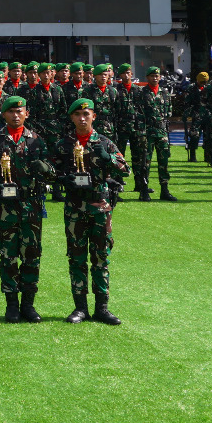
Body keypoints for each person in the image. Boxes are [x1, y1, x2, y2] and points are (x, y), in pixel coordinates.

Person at [53, 98, 126, 324]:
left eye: (86, 114)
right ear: (72, 118)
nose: (82, 118)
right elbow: (50, 171)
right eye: (78, 115)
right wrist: (62, 179)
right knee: (76, 258)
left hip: (100, 208)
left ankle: (102, 308)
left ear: (93, 116)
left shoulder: (104, 142)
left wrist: (109, 159)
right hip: (75, 207)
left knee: (101, 257)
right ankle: (80, 308)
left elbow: (126, 170)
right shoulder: (64, 144)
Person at [0, 95, 54, 322]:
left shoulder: (37, 140)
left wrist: (46, 169)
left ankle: (28, 305)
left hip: (31, 206)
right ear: (4, 114)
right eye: (11, 111)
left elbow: (52, 170)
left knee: (32, 255)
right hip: (6, 208)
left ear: (26, 114)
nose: (16, 115)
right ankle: (11, 304)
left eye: (19, 111)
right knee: (8, 255)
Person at [129, 67, 175, 201]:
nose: (155, 78)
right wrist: (141, 131)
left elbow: (169, 111)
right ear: (147, 77)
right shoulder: (141, 93)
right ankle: (143, 190)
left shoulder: (164, 92)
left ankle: (164, 190)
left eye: (157, 76)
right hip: (147, 132)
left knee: (163, 162)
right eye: (152, 76)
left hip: (161, 132)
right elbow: (137, 113)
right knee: (145, 162)